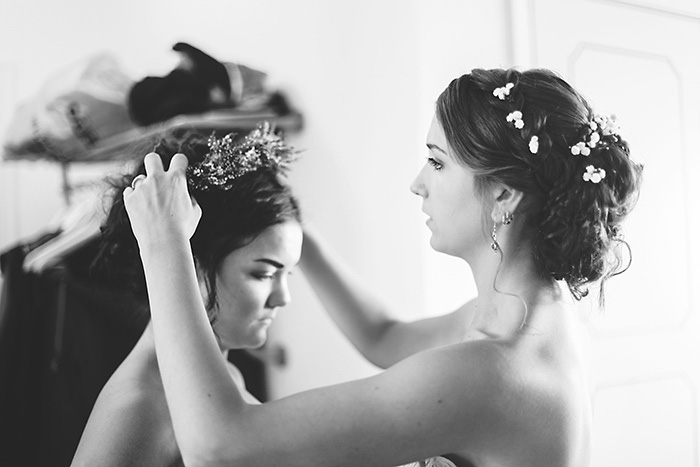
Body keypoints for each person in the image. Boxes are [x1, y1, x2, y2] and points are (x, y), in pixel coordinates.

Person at [121, 68, 642, 467]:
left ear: (504, 192)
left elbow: (221, 447)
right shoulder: (525, 319)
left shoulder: (490, 373)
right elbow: (383, 335)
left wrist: (165, 246)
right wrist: (295, 230)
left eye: (437, 162)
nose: (418, 182)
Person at [70, 123, 303, 467]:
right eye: (264, 274)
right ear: (189, 263)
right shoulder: (140, 408)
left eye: (288, 274)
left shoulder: (224, 377)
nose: (282, 298)